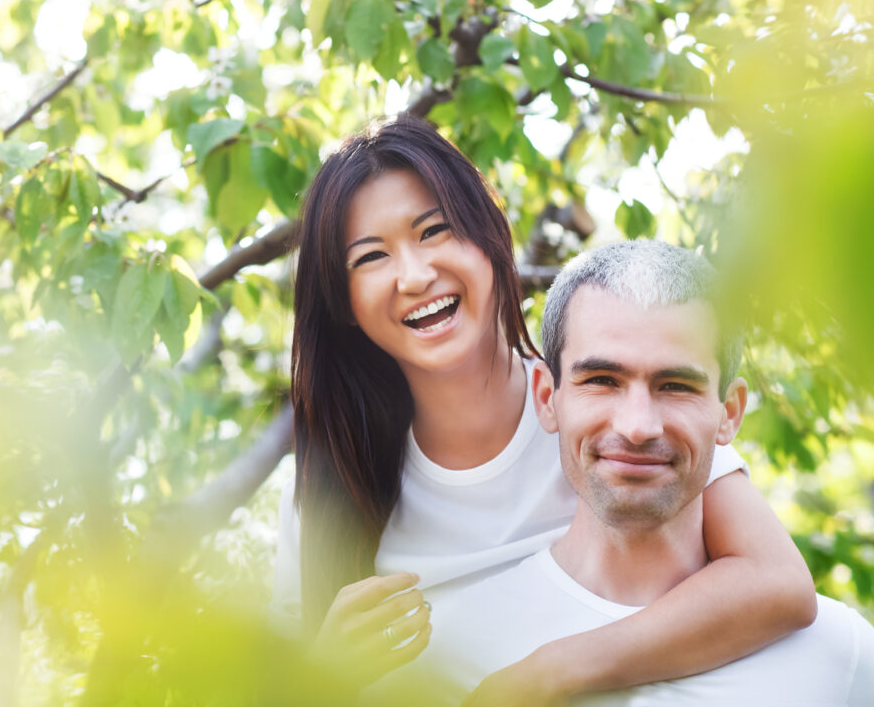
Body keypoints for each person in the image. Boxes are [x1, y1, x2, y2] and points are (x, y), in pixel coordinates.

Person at [274, 115, 816, 701]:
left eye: (433, 232)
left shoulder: (602, 409)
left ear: (488, 238)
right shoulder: (335, 480)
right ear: (345, 301)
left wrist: (546, 674)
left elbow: (777, 583)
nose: (414, 275)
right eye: (371, 257)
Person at [386, 239, 874, 705]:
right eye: (601, 380)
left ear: (730, 412)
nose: (638, 426)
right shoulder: (446, 659)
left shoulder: (842, 656)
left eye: (676, 385)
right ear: (545, 397)